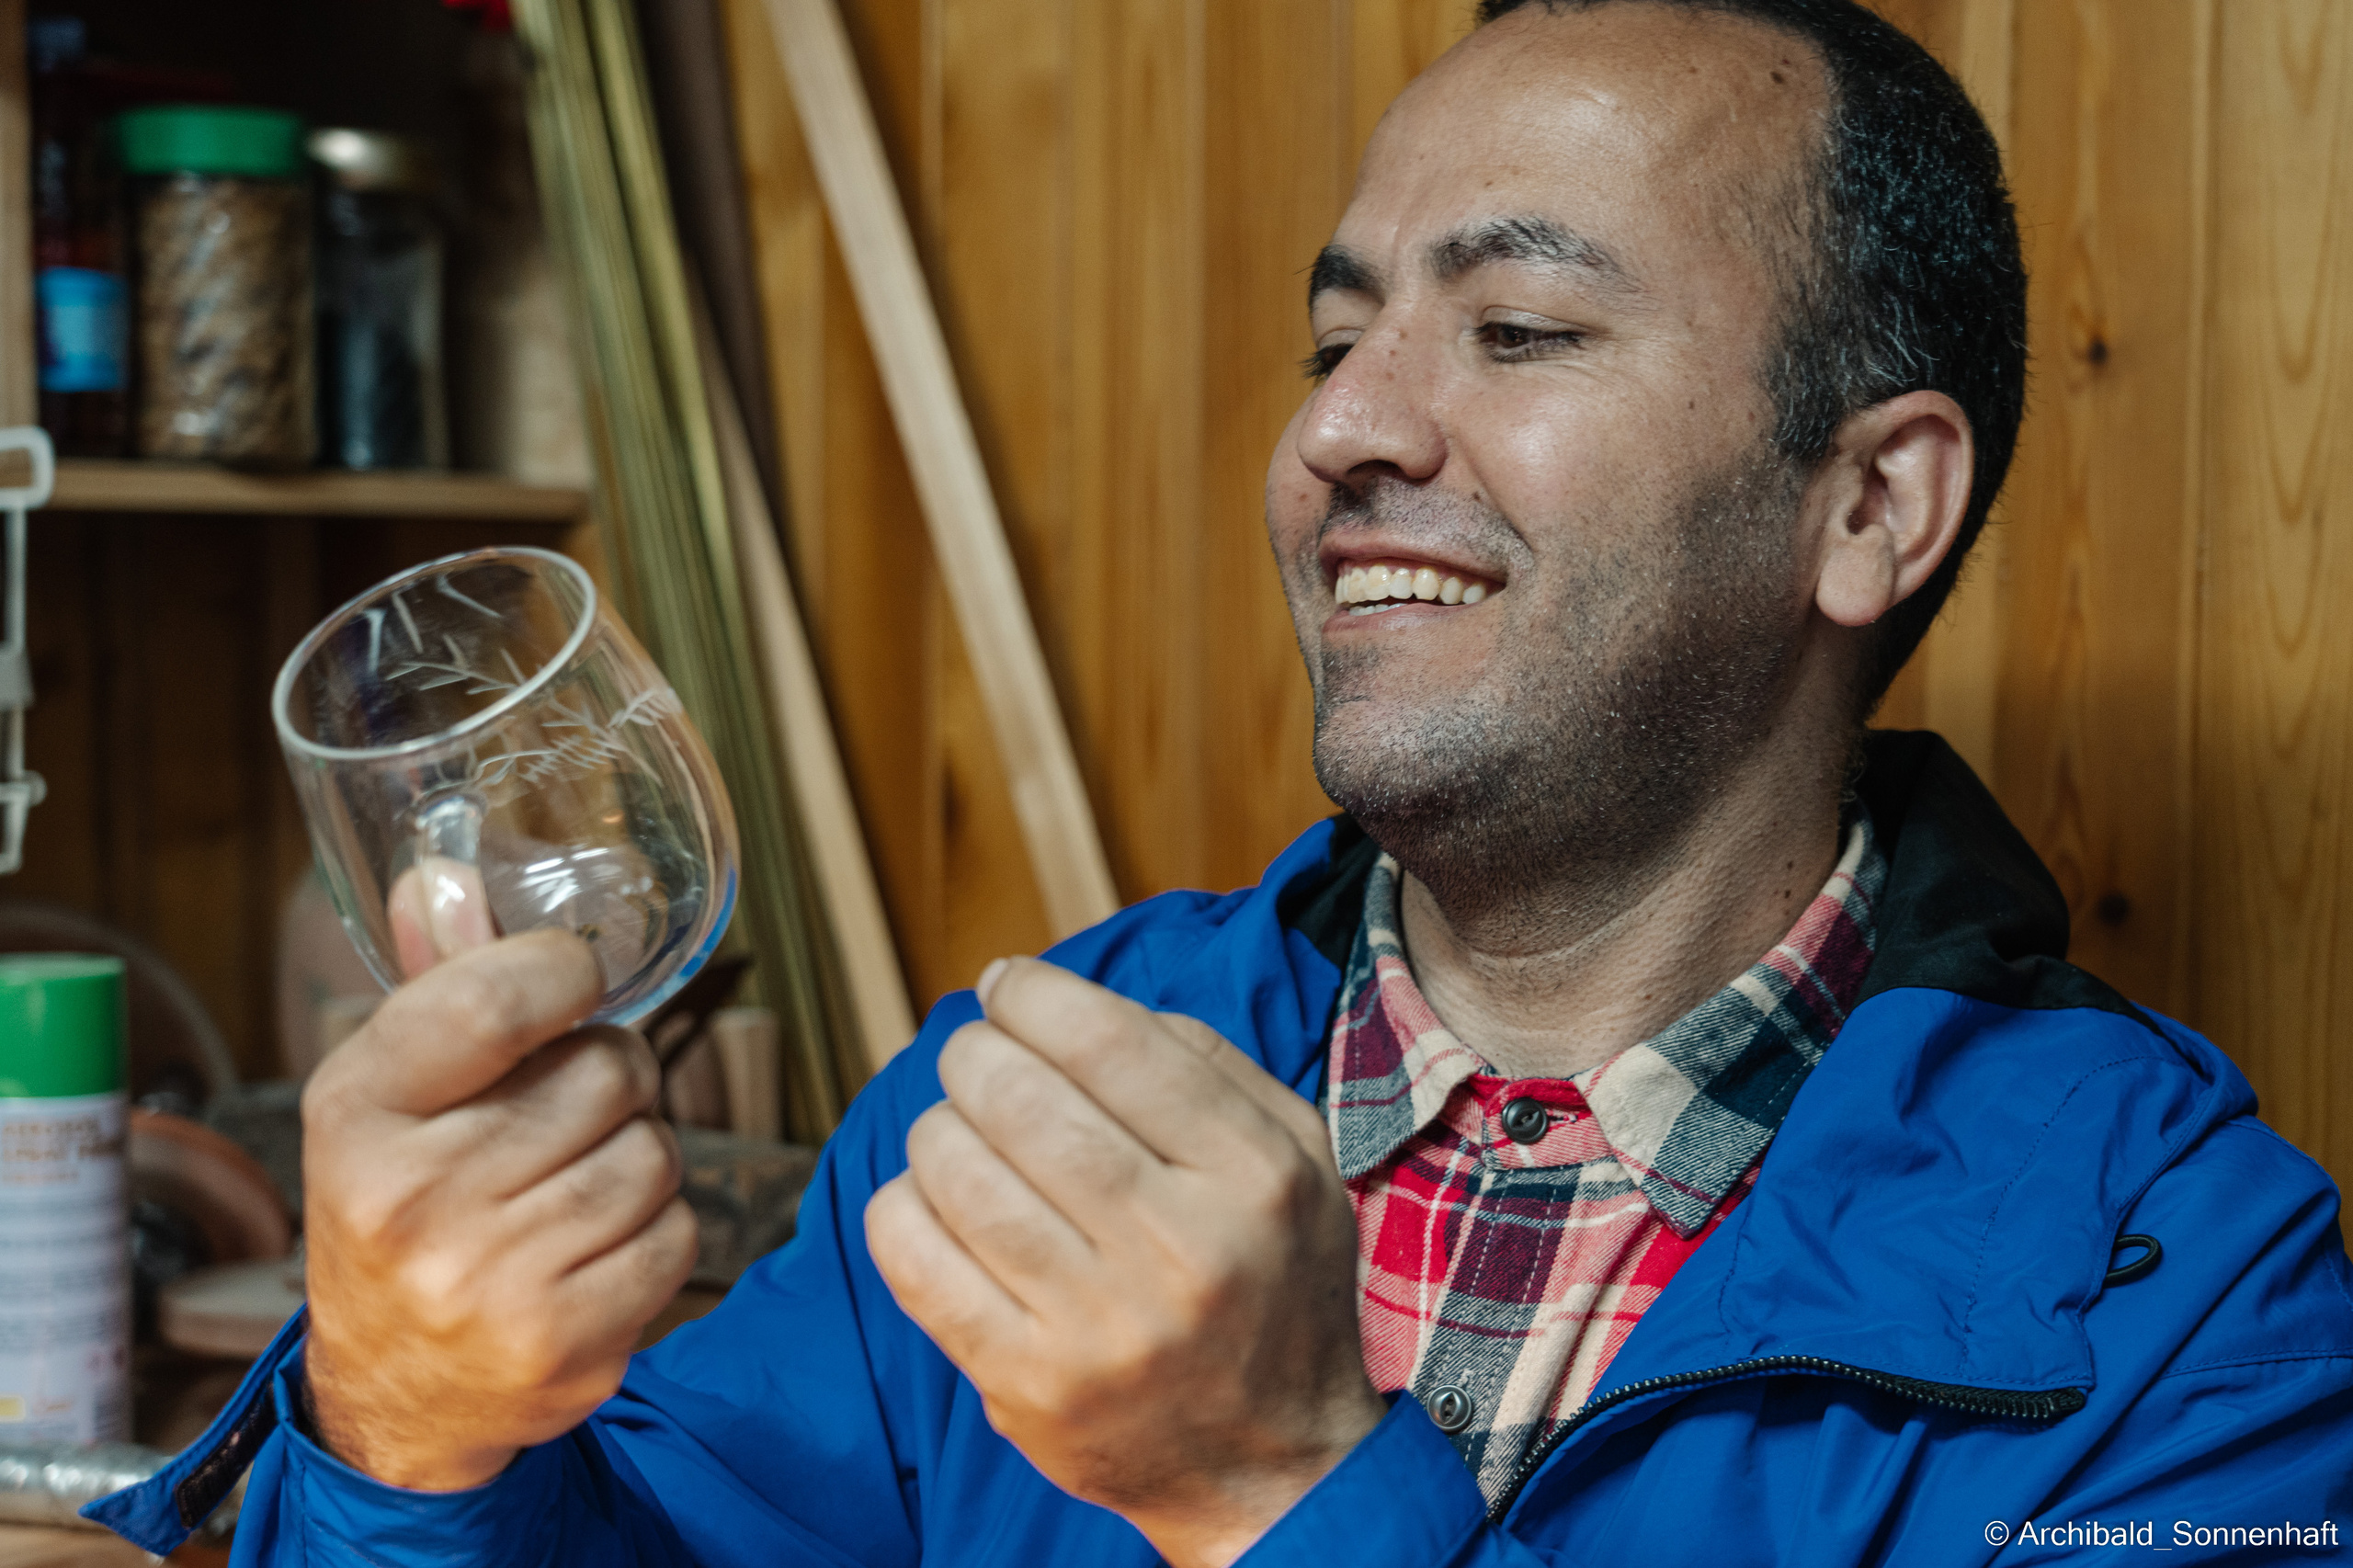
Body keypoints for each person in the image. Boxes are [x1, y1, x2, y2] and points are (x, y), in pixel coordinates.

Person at [97, 1, 2353, 1563]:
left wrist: (1281, 1491)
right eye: (1333, 336)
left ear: (1866, 508)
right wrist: (408, 1435)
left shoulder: (2191, 1304)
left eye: (1519, 329)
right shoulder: (1049, 1087)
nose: (1337, 434)